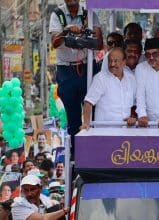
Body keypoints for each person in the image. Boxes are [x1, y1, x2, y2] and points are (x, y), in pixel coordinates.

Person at [49, 0, 103, 146]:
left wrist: (85, 35)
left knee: (93, 115)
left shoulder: (89, 13)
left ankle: (94, 150)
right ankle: (76, 156)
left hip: (87, 68)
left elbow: (99, 44)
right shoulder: (58, 14)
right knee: (73, 120)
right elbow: (54, 43)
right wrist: (67, 31)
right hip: (66, 70)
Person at [81, 47, 137, 129]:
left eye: (116, 61)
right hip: (104, 131)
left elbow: (134, 104)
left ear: (124, 62)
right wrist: (86, 123)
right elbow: (88, 102)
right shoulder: (100, 78)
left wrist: (133, 117)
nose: (112, 64)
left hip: (126, 131)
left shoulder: (131, 78)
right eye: (110, 61)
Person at [135, 38, 159, 127]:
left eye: (155, 54)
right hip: (146, 120)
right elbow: (140, 94)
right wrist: (142, 115)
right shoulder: (140, 68)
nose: (151, 57)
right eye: (148, 55)